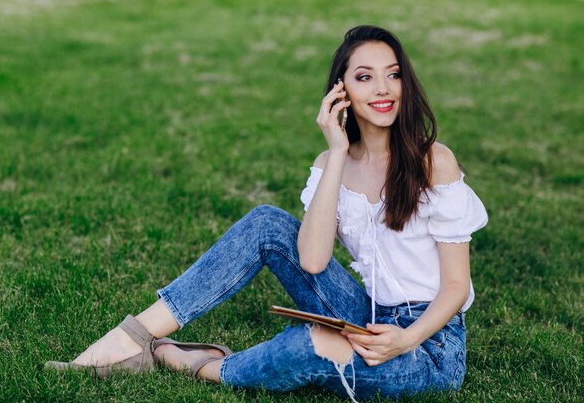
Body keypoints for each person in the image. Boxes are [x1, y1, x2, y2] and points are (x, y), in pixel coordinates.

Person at [46, 25, 488, 401]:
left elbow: (455, 286)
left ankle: (201, 365)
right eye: (365, 77)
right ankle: (132, 338)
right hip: (369, 315)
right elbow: (312, 261)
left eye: (393, 75)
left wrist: (405, 340)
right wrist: (337, 152)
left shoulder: (434, 162)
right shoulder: (330, 163)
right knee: (266, 223)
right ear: (342, 91)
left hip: (430, 346)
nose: (383, 89)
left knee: (309, 345)